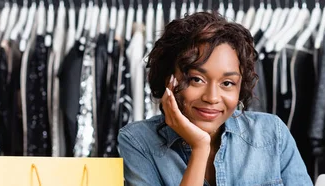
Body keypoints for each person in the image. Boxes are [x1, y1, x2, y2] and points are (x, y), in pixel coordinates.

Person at [117, 12, 313, 186]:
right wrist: (200, 148)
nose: (212, 97)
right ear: (169, 79)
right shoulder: (138, 141)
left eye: (227, 83)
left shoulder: (272, 134)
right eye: (197, 79)